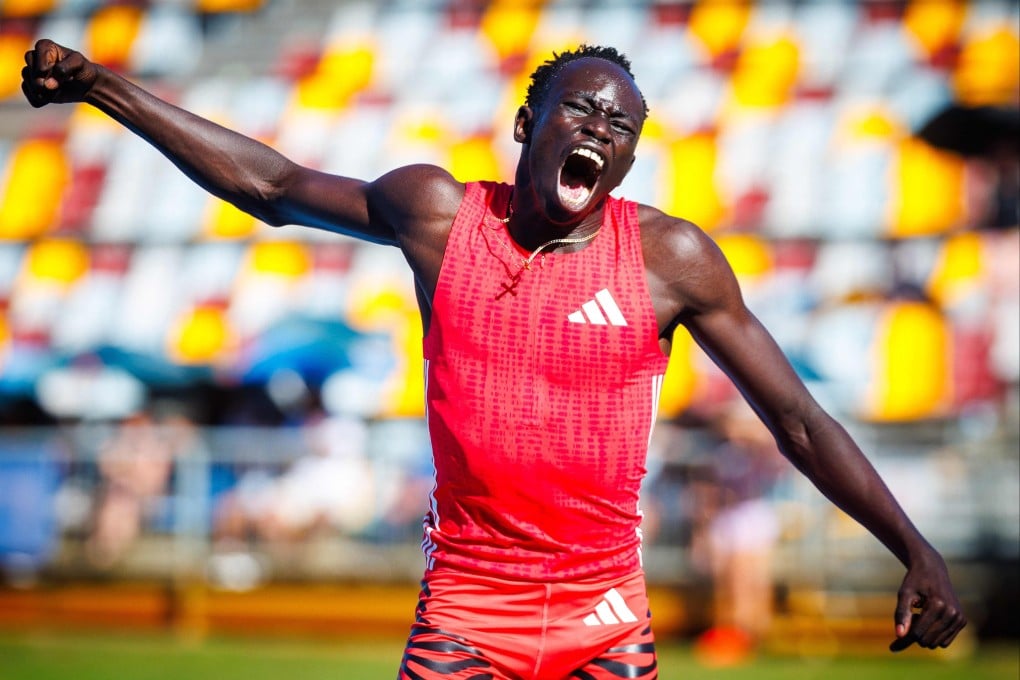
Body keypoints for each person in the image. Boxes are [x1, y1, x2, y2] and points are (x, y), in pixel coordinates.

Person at [22, 40, 966, 678]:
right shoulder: (437, 216)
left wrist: (915, 549)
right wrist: (105, 88)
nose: (600, 129)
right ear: (526, 125)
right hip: (470, 610)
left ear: (632, 159)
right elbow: (268, 185)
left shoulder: (670, 258)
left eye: (621, 125)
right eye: (581, 110)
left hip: (608, 614)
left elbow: (797, 421)